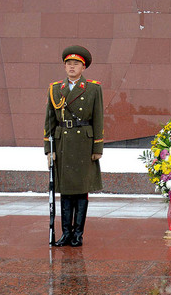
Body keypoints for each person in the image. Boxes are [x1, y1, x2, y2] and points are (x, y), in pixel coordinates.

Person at [44, 45, 104, 247]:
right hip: (62, 144)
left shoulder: (93, 88)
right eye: (68, 64)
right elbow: (49, 120)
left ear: (83, 67)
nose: (71, 67)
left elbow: (98, 119)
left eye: (76, 64)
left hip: (83, 144)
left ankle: (78, 234)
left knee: (81, 190)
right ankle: (66, 233)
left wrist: (97, 148)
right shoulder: (55, 89)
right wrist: (48, 149)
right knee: (65, 190)